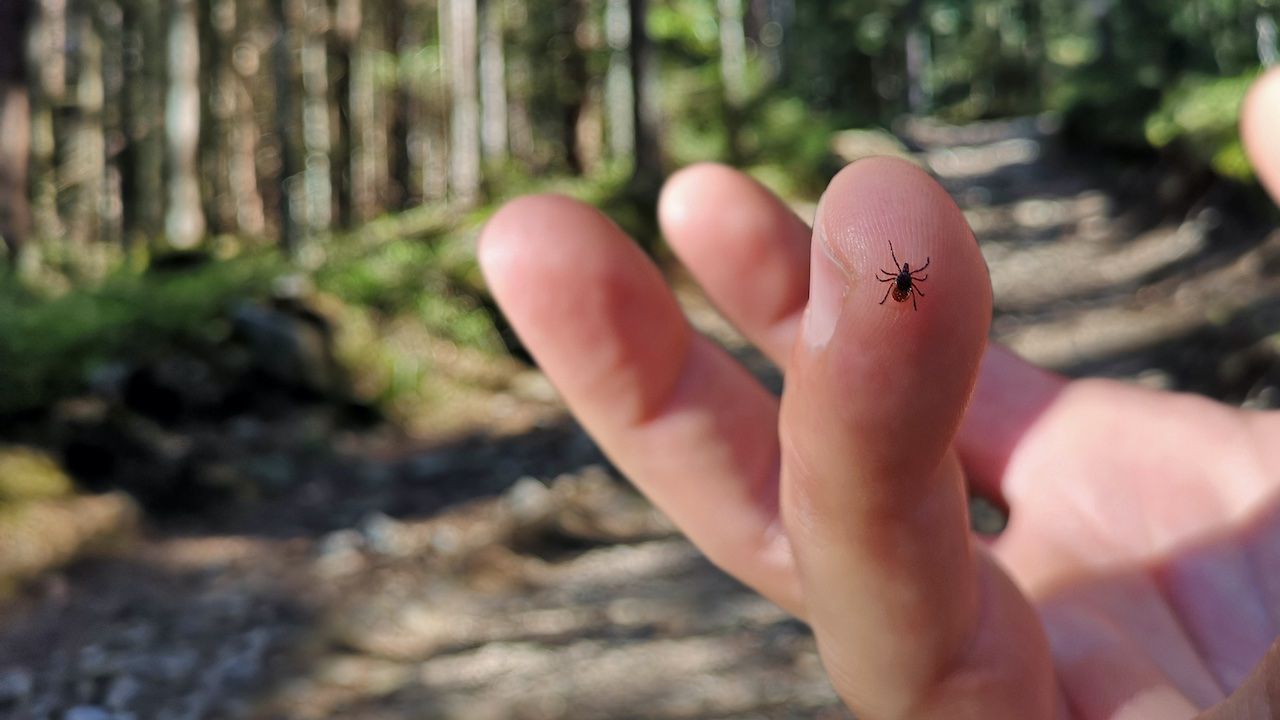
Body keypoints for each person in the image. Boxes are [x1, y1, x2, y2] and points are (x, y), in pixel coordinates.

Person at [477, 67, 1280, 719]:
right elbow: (911, 277)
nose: (902, 276)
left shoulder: (906, 279)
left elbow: (912, 277)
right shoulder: (903, 278)